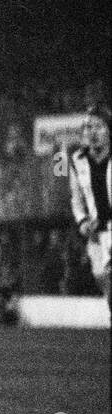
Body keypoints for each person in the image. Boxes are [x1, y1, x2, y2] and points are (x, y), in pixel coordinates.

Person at [68, 103, 112, 312]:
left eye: (98, 126)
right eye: (88, 127)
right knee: (101, 278)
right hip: (97, 233)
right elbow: (76, 198)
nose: (92, 132)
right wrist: (83, 221)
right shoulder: (77, 160)